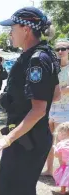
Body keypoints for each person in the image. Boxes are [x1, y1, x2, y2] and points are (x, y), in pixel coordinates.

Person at [0, 7, 61, 195]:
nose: (10, 32)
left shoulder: (36, 59)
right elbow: (55, 95)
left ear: (26, 29)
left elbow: (39, 109)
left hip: (25, 141)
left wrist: (7, 139)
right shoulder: (46, 53)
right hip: (33, 138)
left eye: (12, 27)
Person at [42, 39, 69, 176]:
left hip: (64, 110)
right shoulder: (52, 67)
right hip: (50, 107)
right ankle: (49, 170)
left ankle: (63, 174)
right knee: (48, 140)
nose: (60, 52)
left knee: (62, 143)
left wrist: (62, 89)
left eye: (63, 48)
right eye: (57, 49)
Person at [52, 122, 69, 195]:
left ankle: (63, 191)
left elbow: (56, 155)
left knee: (64, 178)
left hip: (65, 166)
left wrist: (54, 148)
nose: (60, 136)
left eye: (63, 134)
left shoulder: (60, 144)